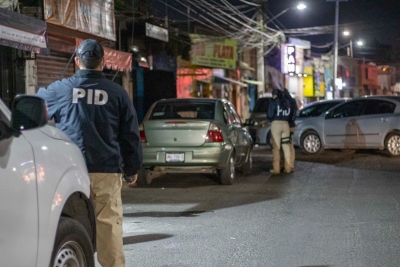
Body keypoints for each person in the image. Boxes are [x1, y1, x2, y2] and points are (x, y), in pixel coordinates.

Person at [36, 39, 143, 267]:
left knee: (72, 224)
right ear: (103, 63)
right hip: (107, 170)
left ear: (77, 61)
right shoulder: (117, 93)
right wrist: (132, 168)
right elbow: (130, 135)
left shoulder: (59, 90)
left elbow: (31, 108)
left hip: (70, 172)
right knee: (108, 225)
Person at [267, 88, 291, 174]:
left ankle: (276, 168)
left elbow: (270, 114)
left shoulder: (274, 102)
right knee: (286, 146)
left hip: (276, 124)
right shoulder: (287, 102)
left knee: (276, 147)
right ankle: (288, 167)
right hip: (286, 124)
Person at [283, 88, 298, 172]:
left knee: (285, 145)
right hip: (291, 125)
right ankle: (290, 165)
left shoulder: (282, 102)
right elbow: (295, 112)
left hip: (285, 124)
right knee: (290, 145)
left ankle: (286, 165)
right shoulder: (292, 101)